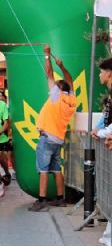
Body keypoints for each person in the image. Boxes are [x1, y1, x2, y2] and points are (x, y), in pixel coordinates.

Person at [29, 46, 77, 212]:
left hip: (47, 138)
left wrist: (47, 55)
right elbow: (69, 80)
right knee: (56, 169)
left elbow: (48, 73)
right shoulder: (71, 99)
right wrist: (62, 67)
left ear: (57, 89)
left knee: (43, 169)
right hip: (58, 139)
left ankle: (41, 200)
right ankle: (60, 198)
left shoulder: (56, 96)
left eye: (55, 85)